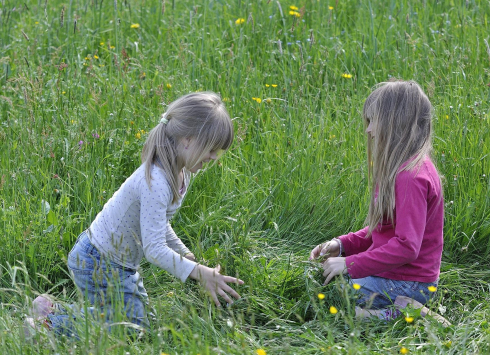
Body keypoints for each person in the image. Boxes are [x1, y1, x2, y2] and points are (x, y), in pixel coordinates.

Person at [26, 92, 244, 337]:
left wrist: (186, 255)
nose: (214, 157)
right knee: (129, 330)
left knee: (142, 322)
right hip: (97, 261)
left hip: (116, 263)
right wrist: (196, 271)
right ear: (187, 139)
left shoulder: (183, 172)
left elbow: (158, 223)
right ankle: (46, 326)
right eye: (211, 149)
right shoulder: (157, 181)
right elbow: (154, 249)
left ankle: (49, 309)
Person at [309, 80, 448, 324]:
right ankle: (402, 308)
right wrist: (342, 245)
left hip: (409, 282)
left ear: (395, 124)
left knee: (334, 295)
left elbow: (406, 247)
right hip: (403, 278)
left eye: (373, 121)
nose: (368, 130)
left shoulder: (411, 177)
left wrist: (350, 264)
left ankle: (406, 313)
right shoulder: (405, 170)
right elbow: (383, 230)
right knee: (330, 281)